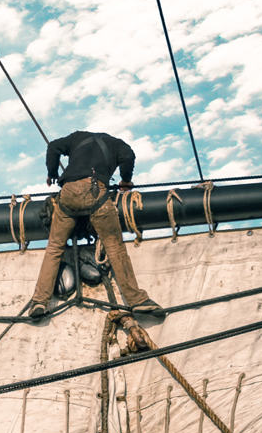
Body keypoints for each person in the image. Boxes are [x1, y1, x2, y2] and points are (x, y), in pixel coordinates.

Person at [24, 130, 164, 319]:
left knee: (55, 247)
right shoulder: (117, 144)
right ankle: (137, 301)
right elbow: (128, 155)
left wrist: (53, 174)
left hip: (68, 194)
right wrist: (126, 180)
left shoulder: (77, 137)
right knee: (115, 247)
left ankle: (39, 302)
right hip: (96, 193)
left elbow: (53, 146)